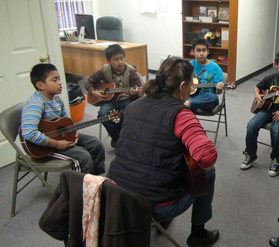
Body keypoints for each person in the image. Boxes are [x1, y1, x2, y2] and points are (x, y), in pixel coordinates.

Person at [107, 57, 219, 247]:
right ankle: (198, 235)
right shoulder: (181, 114)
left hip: (116, 196)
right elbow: (207, 158)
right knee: (208, 172)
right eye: (191, 86)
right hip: (154, 206)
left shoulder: (132, 106)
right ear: (183, 86)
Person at [21, 63, 105, 175]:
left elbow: (66, 122)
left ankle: (95, 182)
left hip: (59, 138)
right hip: (44, 147)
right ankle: (81, 190)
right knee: (83, 157)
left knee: (96, 144)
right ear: (40, 85)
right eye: (54, 80)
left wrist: (73, 133)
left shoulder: (56, 99)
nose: (60, 83)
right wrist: (56, 144)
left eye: (59, 79)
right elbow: (29, 133)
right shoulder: (36, 104)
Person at [240, 48, 279, 177]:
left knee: (276, 130)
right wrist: (258, 97)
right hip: (268, 109)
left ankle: (275, 159)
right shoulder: (270, 78)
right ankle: (250, 154)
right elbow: (257, 87)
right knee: (252, 125)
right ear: (276, 64)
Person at [85, 44, 143, 148]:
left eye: (121, 58)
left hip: (127, 99)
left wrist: (135, 93)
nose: (120, 62)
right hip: (110, 100)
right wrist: (94, 92)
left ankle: (125, 138)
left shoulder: (131, 72)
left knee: (127, 114)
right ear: (108, 61)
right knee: (103, 114)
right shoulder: (105, 71)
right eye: (116, 59)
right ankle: (117, 137)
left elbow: (139, 95)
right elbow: (88, 81)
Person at [185, 38, 224, 113]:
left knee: (214, 98)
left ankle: (189, 104)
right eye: (198, 50)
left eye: (204, 50)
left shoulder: (216, 68)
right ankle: (189, 105)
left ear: (208, 51)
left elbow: (218, 93)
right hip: (191, 95)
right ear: (193, 52)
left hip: (206, 99)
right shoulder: (188, 65)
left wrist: (219, 88)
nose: (201, 53)